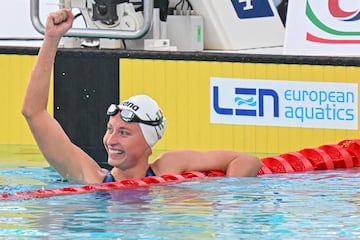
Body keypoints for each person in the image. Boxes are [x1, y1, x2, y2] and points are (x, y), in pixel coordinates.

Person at [22, 9, 262, 184]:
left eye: (124, 132)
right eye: (110, 129)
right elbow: (33, 112)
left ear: (149, 141)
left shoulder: (169, 167)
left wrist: (230, 197)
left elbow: (247, 160)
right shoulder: (90, 176)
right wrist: (51, 39)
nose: (111, 140)